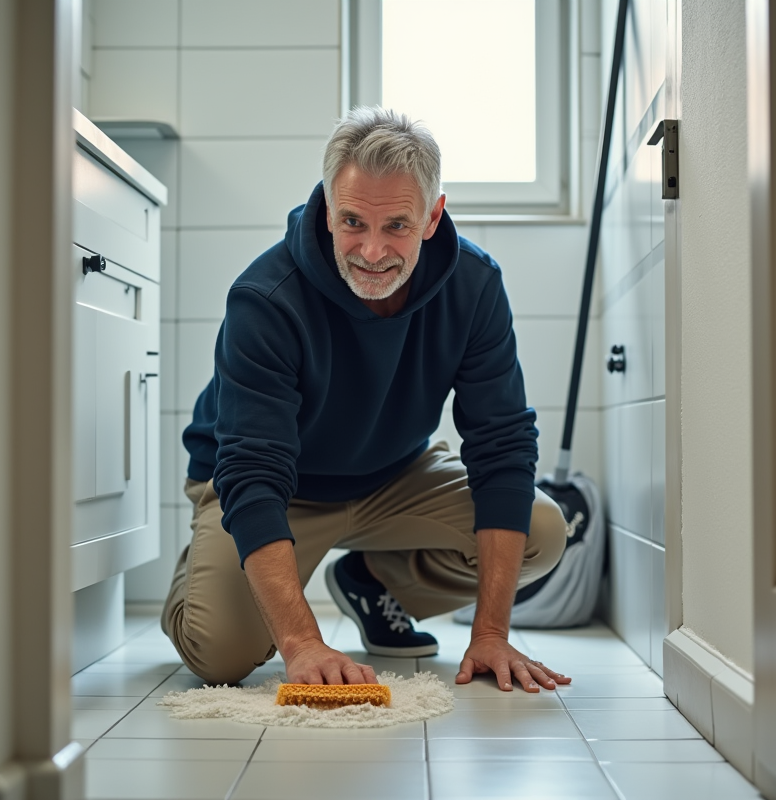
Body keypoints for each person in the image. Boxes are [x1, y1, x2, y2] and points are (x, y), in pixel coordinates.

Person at [163, 106, 570, 694]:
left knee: (543, 529)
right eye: (352, 221)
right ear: (327, 210)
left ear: (433, 218)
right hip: (278, 485)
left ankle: (374, 577)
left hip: (393, 474)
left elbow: (502, 445)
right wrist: (302, 644)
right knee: (221, 653)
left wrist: (490, 632)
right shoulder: (265, 298)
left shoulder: (475, 286)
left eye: (396, 227)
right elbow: (251, 469)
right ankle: (207, 571)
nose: (372, 252)